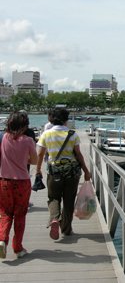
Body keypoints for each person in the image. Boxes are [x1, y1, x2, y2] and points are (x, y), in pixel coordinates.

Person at [36, 107, 91, 240]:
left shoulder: (46, 134)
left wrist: (38, 170)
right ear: (66, 120)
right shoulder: (72, 134)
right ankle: (66, 229)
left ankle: (54, 219)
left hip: (54, 173)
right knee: (69, 201)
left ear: (51, 119)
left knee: (54, 198)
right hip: (72, 174)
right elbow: (78, 154)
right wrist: (86, 171)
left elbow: (40, 154)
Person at [0, 111, 38, 259]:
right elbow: (34, 161)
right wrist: (23, 160)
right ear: (24, 126)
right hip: (22, 182)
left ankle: (2, 240)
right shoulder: (28, 140)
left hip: (3, 181)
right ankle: (18, 249)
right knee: (20, 215)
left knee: (5, 213)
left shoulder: (3, 138)